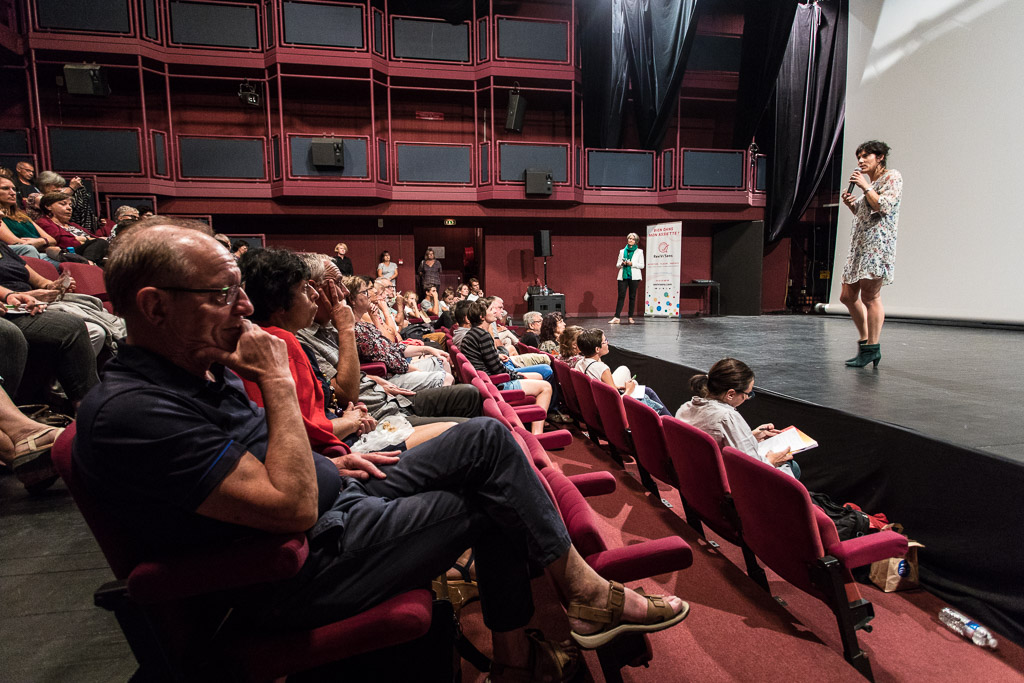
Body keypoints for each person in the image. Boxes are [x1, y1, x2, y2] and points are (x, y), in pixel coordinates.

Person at [73, 226, 689, 679]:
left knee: (487, 439)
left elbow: (257, 468)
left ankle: (564, 609)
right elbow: (286, 509)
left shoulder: (196, 369)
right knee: (493, 500)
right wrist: (279, 383)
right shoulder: (135, 412)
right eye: (223, 293)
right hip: (298, 571)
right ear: (154, 305)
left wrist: (329, 462)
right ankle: (539, 641)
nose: (246, 308)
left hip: (335, 508)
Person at [238, 248, 454, 452]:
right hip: (362, 434)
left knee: (467, 413)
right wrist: (348, 421)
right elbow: (318, 419)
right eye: (306, 288)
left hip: (371, 414)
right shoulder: (283, 342)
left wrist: (349, 412)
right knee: (473, 430)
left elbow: (324, 406)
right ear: (278, 301)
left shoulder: (291, 339)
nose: (343, 293)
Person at [294, 254, 480, 427]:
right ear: (313, 290)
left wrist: (372, 379)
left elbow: (392, 339)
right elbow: (345, 393)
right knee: (481, 429)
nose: (342, 293)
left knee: (470, 393)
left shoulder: (329, 327)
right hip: (382, 413)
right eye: (337, 284)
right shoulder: (323, 332)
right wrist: (351, 327)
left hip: (387, 395)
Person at [675, 358, 798, 479]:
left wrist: (751, 436)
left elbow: (716, 437)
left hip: (694, 475)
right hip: (726, 482)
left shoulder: (686, 407)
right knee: (792, 466)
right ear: (730, 394)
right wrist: (772, 461)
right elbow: (752, 468)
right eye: (747, 394)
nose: (747, 398)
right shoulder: (727, 417)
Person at [839, 140, 903, 369]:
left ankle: (871, 348)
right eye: (859, 157)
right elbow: (866, 213)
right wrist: (852, 205)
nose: (861, 161)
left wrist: (865, 187)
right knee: (847, 296)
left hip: (877, 246)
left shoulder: (892, 177)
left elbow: (883, 207)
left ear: (880, 157)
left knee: (870, 297)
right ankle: (866, 342)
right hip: (860, 245)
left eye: (866, 156)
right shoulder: (872, 182)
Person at [345, 275, 453, 390]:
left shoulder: (365, 325)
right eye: (365, 292)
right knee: (446, 378)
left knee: (442, 360)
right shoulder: (358, 330)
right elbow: (389, 360)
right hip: (388, 378)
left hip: (397, 365)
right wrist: (419, 371)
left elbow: (393, 345)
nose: (370, 295)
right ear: (352, 300)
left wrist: (428, 349)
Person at [459, 300, 552, 434]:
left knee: (538, 376)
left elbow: (487, 361)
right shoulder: (483, 335)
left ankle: (534, 418)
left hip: (488, 380)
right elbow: (497, 370)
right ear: (481, 316)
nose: (495, 312)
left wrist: (496, 356)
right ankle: (537, 433)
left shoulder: (473, 333)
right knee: (545, 387)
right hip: (495, 383)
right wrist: (518, 376)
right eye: (491, 310)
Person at [574, 328, 670, 416]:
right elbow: (616, 401)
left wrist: (617, 387)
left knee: (646, 390)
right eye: (605, 341)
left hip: (594, 406)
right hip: (607, 411)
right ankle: (671, 423)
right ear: (597, 349)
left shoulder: (579, 364)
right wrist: (629, 390)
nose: (608, 343)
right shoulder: (602, 369)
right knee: (648, 392)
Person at [35, 192, 109, 264]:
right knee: (101, 242)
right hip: (67, 253)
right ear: (48, 206)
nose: (69, 208)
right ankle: (87, 265)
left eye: (70, 205)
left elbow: (94, 238)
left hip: (88, 251)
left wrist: (84, 239)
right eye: (63, 204)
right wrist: (85, 239)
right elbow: (63, 243)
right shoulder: (44, 223)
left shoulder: (73, 225)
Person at [0, 176, 57, 263]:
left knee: (73, 262)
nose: (12, 193)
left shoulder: (22, 215)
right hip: (18, 256)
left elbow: (52, 240)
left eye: (14, 189)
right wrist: (44, 242)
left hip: (41, 253)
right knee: (29, 249)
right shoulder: (1, 217)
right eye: (5, 188)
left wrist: (40, 241)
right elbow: (16, 242)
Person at [610, 232, 644, 324]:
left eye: (633, 239)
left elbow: (642, 265)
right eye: (629, 238)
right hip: (623, 276)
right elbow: (617, 265)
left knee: (632, 297)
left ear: (636, 241)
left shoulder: (639, 252)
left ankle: (630, 317)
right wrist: (622, 263)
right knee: (621, 296)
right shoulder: (622, 251)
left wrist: (632, 264)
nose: (630, 240)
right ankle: (617, 317)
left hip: (634, 276)